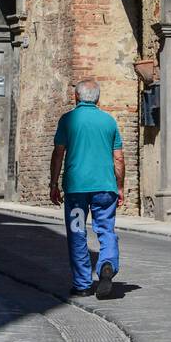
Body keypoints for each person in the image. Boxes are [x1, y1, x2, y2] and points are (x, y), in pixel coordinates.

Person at [50, 79, 124, 299]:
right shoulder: (109, 121)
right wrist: (119, 186)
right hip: (105, 188)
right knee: (106, 229)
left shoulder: (68, 120)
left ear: (76, 97)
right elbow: (118, 158)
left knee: (77, 232)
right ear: (98, 98)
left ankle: (82, 284)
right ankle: (107, 264)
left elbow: (58, 153)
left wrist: (53, 183)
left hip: (76, 190)